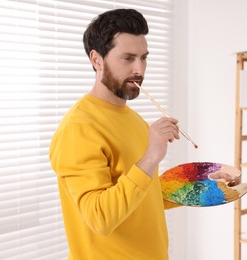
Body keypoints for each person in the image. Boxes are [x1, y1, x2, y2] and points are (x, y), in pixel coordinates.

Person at [49, 8, 180, 260]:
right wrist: (151, 157)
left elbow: (141, 196)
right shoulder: (79, 128)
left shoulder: (134, 120)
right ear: (97, 60)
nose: (139, 69)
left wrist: (198, 185)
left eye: (144, 58)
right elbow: (99, 217)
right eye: (128, 58)